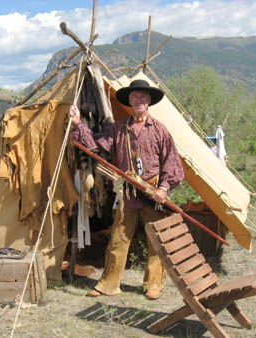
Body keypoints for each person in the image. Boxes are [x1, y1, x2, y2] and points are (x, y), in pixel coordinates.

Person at [69, 79, 184, 300]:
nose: (138, 100)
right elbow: (93, 144)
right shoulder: (118, 129)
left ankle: (153, 284)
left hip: (153, 194)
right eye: (134, 97)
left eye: (142, 97)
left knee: (156, 240)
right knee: (118, 239)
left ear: (149, 101)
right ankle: (109, 284)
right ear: (129, 101)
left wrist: (163, 188)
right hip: (128, 193)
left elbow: (172, 164)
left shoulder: (160, 130)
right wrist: (77, 125)